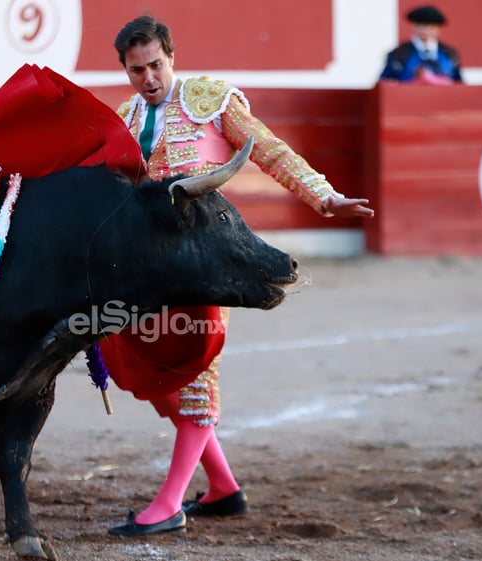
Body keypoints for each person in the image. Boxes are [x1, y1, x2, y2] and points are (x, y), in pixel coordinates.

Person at [107, 15, 375, 537]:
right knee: (155, 377)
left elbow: (271, 151)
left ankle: (168, 504)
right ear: (125, 69)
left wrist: (322, 195)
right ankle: (224, 488)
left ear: (171, 56)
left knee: (194, 378)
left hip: (205, 261)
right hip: (148, 271)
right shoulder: (124, 117)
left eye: (156, 65)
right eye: (137, 70)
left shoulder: (209, 100)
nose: (149, 78)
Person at [379, 5, 463, 84]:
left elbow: (458, 83)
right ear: (414, 27)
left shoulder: (450, 54)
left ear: (438, 29)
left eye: (430, 27)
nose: (425, 30)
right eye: (421, 26)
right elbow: (384, 83)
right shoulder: (398, 54)